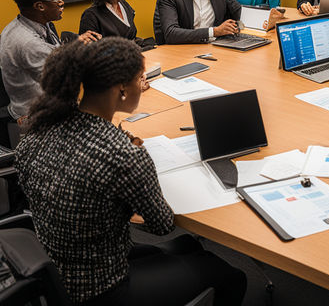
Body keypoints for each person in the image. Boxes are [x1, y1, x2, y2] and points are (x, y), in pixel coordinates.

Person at [15, 38, 246, 305]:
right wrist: (134, 190)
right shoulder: (123, 155)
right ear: (122, 89)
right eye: (140, 78)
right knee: (231, 275)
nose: (143, 84)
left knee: (188, 245)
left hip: (60, 267)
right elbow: (162, 225)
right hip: (101, 287)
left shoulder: (37, 132)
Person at [0, 0, 99, 122]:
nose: (62, 2)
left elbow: (54, 56)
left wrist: (74, 46)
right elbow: (64, 80)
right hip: (39, 116)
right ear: (40, 6)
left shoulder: (32, 24)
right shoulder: (28, 43)